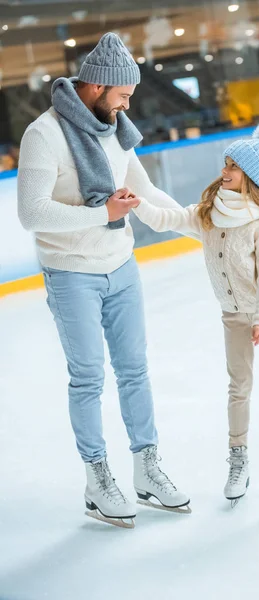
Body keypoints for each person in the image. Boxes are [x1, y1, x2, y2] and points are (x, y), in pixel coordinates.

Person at [17, 32, 190, 528]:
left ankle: (147, 469)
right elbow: (32, 213)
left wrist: (200, 226)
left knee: (135, 370)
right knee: (89, 377)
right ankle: (98, 480)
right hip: (72, 275)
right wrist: (102, 213)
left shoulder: (113, 128)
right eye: (123, 95)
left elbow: (145, 189)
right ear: (96, 86)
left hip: (122, 267)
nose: (127, 105)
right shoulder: (43, 135)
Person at [129, 123, 259, 505]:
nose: (225, 170)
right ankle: (238, 461)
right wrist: (137, 203)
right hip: (231, 316)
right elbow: (165, 219)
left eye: (234, 166)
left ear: (251, 177)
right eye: (226, 162)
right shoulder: (208, 215)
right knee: (238, 388)